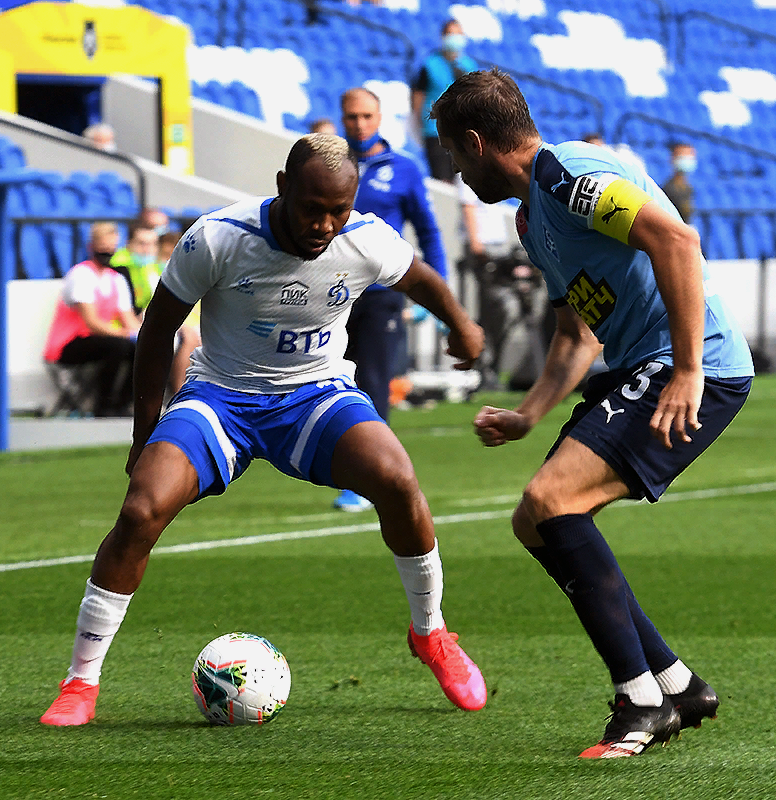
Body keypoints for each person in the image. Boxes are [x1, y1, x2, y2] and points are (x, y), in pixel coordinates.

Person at [40, 133, 487, 727]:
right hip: (220, 399)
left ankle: (431, 635)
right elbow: (156, 333)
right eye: (312, 208)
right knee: (142, 509)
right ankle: (80, 682)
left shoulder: (366, 238)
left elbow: (420, 277)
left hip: (315, 396)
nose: (325, 225)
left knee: (397, 479)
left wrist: (460, 323)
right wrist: (144, 431)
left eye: (338, 211)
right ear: (282, 188)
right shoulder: (219, 237)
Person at [431, 69, 754, 758]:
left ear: (477, 141)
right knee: (535, 519)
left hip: (689, 367)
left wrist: (688, 370)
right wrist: (529, 413)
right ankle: (676, 683)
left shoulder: (566, 178)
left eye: (453, 154)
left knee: (552, 500)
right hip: (640, 367)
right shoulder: (531, 216)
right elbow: (578, 333)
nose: (455, 170)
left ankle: (640, 702)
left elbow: (676, 241)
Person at [334, 87, 448, 511]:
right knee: (332, 384)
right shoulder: (329, 164)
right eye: (351, 118)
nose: (359, 125)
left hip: (380, 292)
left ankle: (368, 479)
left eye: (366, 116)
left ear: (379, 117)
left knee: (374, 385)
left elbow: (429, 231)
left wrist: (438, 294)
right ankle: (344, 467)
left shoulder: (403, 168)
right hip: (330, 293)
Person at [43, 222, 140, 417]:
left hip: (98, 340)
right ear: (92, 247)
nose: (107, 252)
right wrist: (125, 334)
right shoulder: (81, 275)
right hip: (69, 343)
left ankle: (123, 403)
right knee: (118, 346)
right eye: (103, 248)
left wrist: (142, 336)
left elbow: (128, 318)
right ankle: (104, 404)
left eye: (111, 248)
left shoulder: (116, 279)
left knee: (140, 349)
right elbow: (92, 322)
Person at [458, 178, 547, 391]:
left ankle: (493, 369)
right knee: (490, 314)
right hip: (484, 251)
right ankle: (484, 370)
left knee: (503, 314)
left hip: (497, 249)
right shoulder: (468, 174)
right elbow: (468, 208)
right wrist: (478, 249)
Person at [112, 222, 201, 396]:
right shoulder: (121, 269)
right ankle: (177, 393)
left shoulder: (152, 270)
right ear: (129, 243)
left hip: (154, 320)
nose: (147, 249)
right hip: (130, 324)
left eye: (152, 244)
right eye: (142, 244)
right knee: (177, 338)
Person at [411, 19, 477, 182]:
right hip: (435, 130)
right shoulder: (430, 64)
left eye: (457, 34)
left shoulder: (469, 65)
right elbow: (419, 95)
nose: (454, 38)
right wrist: (418, 122)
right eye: (450, 34)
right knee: (442, 179)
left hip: (462, 131)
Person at [662, 142, 696, 224]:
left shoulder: (689, 188)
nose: (687, 160)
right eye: (683, 156)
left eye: (690, 156)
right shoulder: (668, 189)